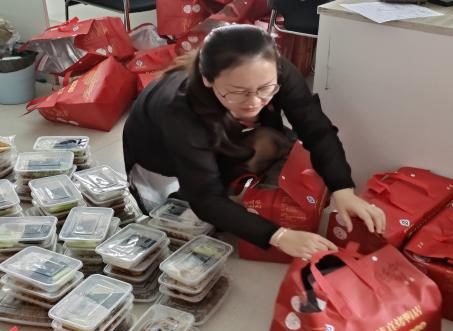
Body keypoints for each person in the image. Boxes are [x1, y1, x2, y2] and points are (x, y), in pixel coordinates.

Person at [123, 24, 385, 260]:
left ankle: (232, 180)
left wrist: (343, 189)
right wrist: (278, 235)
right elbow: (206, 198)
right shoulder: (181, 111)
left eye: (265, 89)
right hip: (160, 154)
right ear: (207, 79)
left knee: (278, 142)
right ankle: (198, 195)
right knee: (205, 202)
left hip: (211, 129)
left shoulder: (275, 71)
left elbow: (316, 130)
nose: (254, 102)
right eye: (238, 92)